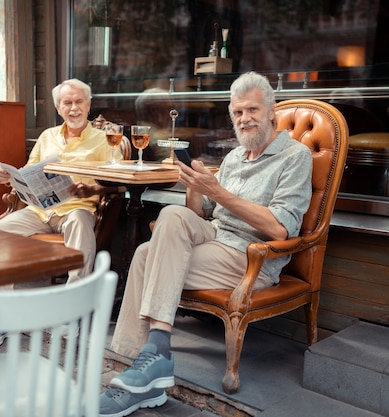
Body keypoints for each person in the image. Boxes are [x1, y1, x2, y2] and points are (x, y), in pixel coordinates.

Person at [98, 71, 313, 417]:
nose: (245, 119)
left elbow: (279, 229)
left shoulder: (295, 157)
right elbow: (200, 213)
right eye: (238, 112)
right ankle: (145, 361)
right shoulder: (234, 158)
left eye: (253, 110)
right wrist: (196, 185)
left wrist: (219, 193)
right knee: (168, 219)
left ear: (271, 111)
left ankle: (142, 366)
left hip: (250, 256)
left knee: (143, 256)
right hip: (216, 238)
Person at [0, 78, 122, 282]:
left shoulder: (103, 140)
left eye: (79, 102)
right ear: (58, 108)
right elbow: (27, 171)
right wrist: (8, 177)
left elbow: (120, 182)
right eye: (67, 103)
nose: (74, 108)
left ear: (89, 105)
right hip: (39, 210)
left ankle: (75, 301)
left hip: (77, 210)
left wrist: (93, 190)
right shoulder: (47, 136)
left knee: (79, 223)